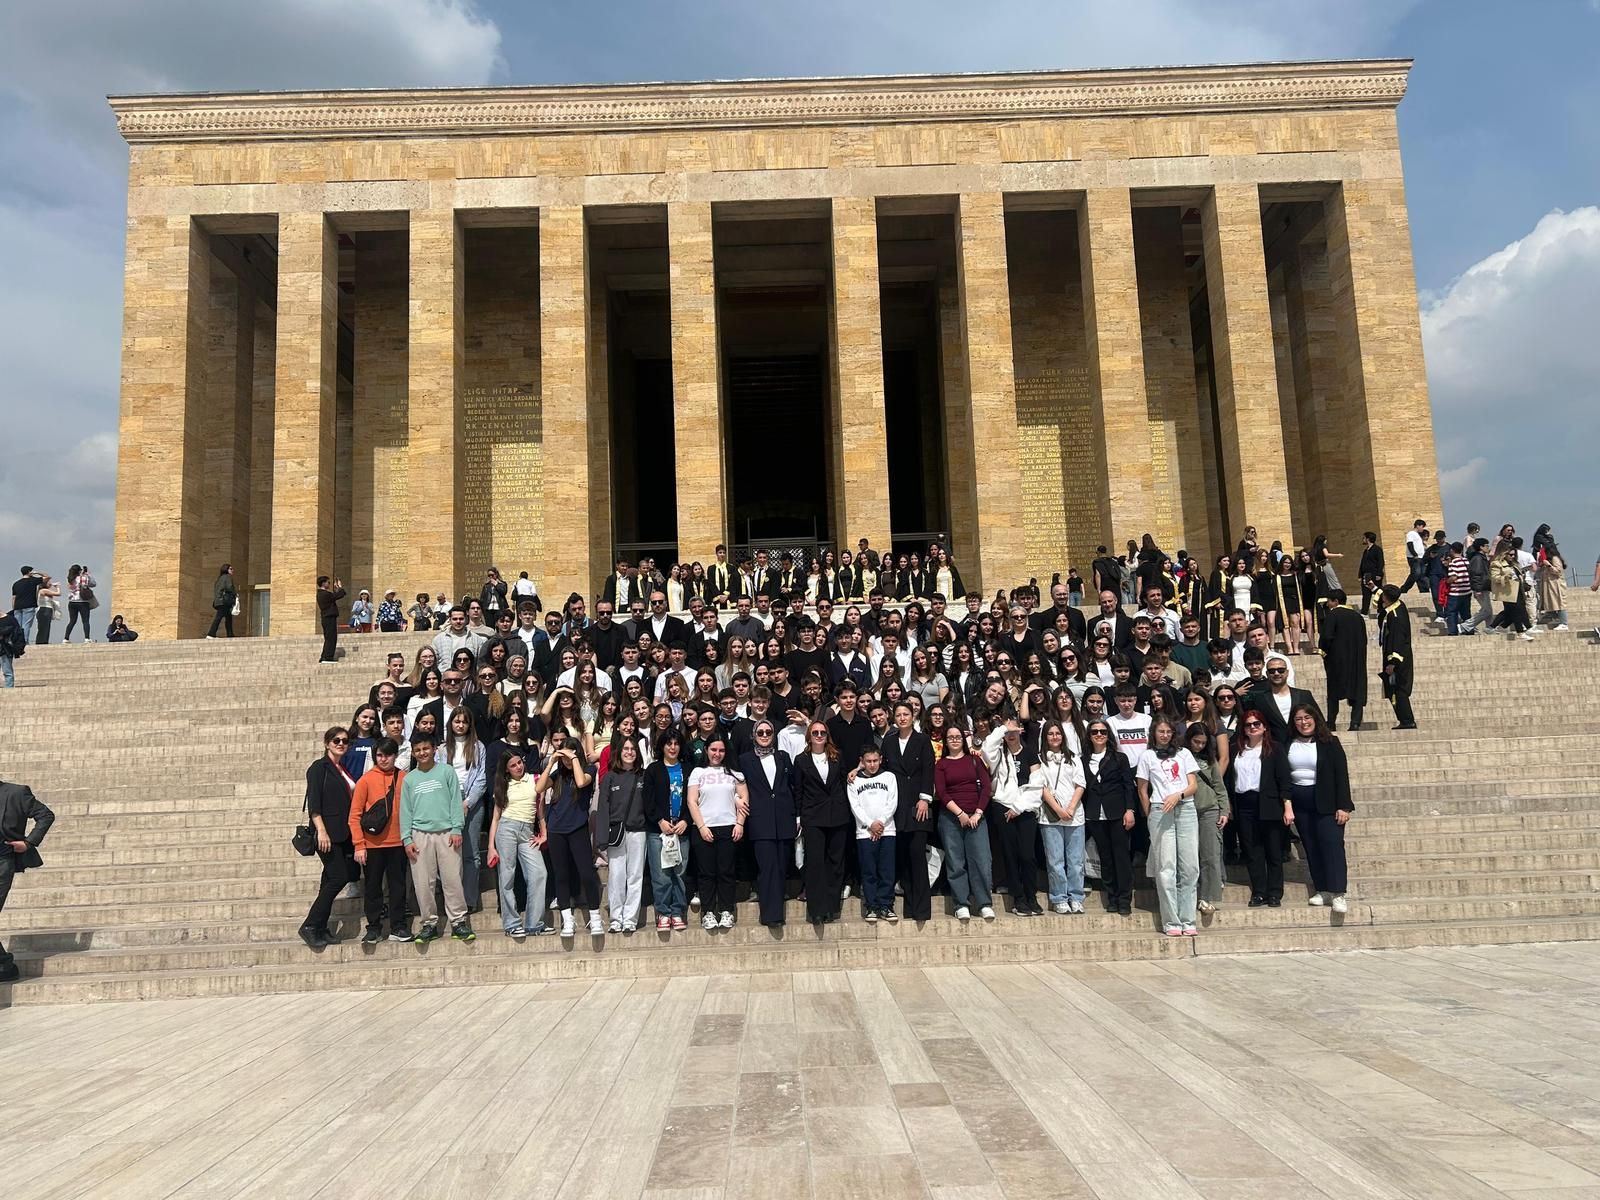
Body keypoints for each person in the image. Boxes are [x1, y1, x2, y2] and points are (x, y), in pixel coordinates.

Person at [400, 731, 473, 943]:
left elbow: (455, 802)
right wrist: (407, 838)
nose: (422, 753)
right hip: (420, 835)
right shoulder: (409, 779)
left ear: (434, 749)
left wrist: (457, 828)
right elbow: (405, 810)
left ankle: (459, 922)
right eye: (418, 750)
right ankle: (429, 924)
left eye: (426, 748)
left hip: (447, 833)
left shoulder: (446, 772)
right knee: (423, 883)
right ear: (413, 753)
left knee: (452, 880)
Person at [1283, 704, 1354, 913]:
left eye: (1307, 718)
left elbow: (1341, 775)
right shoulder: (1288, 743)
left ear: (1315, 719)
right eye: (1298, 719)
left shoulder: (1330, 742)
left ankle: (1338, 892)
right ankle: (1322, 889)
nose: (1303, 723)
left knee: (1331, 844)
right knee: (1311, 846)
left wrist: (1344, 806)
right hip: (1300, 801)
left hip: (1326, 801)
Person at [1137, 714, 1199, 936]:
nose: (1164, 735)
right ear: (1154, 733)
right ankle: (1171, 921)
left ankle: (1188, 918)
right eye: (1160, 731)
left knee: (1190, 866)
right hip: (1159, 811)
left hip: (1185, 808)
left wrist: (1178, 795)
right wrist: (1150, 814)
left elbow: (1193, 785)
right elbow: (1142, 789)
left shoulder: (1184, 754)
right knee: (1166, 867)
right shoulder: (1147, 756)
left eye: (1168, 732)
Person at [538, 727, 603, 936]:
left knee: (586, 873)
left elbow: (582, 782)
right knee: (561, 875)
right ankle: (567, 919)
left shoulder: (589, 769)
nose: (565, 759)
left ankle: (595, 917)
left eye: (569, 754)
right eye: (563, 755)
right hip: (556, 830)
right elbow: (538, 788)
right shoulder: (557, 774)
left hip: (577, 828)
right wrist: (551, 763)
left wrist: (574, 758)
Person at [300, 726, 357, 949]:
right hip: (327, 834)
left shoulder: (341, 769)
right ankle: (310, 924)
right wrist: (321, 830)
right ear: (327, 743)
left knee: (328, 880)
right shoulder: (319, 768)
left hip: (342, 834)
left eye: (345, 741)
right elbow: (314, 803)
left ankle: (321, 927)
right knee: (338, 877)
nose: (341, 744)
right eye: (336, 740)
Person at [880, 700, 936, 922]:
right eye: (899, 714)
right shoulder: (889, 741)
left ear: (913, 716)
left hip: (917, 805)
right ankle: (909, 907)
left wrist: (924, 799)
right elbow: (882, 770)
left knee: (917, 856)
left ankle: (922, 909)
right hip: (896, 805)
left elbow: (928, 769)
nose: (902, 717)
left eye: (906, 714)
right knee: (902, 857)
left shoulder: (922, 740)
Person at [349, 737, 409, 943]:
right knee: (373, 887)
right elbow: (354, 815)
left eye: (388, 755)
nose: (384, 759)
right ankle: (373, 927)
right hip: (373, 844)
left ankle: (398, 926)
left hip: (398, 843)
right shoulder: (365, 780)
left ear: (395, 755)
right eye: (380, 755)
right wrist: (359, 844)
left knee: (398, 886)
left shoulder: (403, 778)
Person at [739, 719, 796, 929]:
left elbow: (792, 785)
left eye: (768, 731)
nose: (764, 735)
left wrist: (796, 816)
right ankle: (771, 915)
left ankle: (778, 910)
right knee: (767, 867)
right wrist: (738, 800)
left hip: (783, 818)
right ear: (754, 735)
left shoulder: (783, 757)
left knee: (781, 867)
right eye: (760, 732)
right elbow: (735, 783)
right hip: (760, 820)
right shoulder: (745, 760)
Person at [984, 716, 1042, 916]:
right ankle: (1018, 899)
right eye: (1007, 731)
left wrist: (1019, 806)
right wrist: (1001, 728)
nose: (1010, 734)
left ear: (1021, 731)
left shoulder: (1030, 753)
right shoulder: (998, 752)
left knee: (1027, 855)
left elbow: (1037, 783)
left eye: (1014, 730)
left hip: (1025, 809)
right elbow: (986, 748)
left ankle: (1031, 896)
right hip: (1002, 807)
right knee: (1010, 854)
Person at [794, 721, 852, 925]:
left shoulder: (837, 756)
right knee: (815, 863)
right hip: (813, 816)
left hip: (837, 814)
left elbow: (845, 781)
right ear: (809, 736)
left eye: (823, 732)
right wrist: (798, 817)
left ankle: (832, 907)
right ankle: (817, 910)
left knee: (835, 862)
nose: (819, 735)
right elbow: (798, 790)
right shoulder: (801, 760)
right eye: (815, 732)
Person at [934, 726, 994, 921]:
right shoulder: (941, 764)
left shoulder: (975, 760)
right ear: (945, 741)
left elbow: (986, 788)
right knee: (955, 861)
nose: (954, 740)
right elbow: (942, 792)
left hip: (977, 816)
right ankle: (961, 903)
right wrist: (959, 813)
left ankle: (984, 903)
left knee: (981, 861)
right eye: (950, 737)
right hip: (951, 818)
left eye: (957, 736)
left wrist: (977, 813)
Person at [487, 748, 548, 938]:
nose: (518, 767)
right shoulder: (502, 786)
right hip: (507, 828)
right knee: (507, 876)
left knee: (539, 873)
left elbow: (540, 811)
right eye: (512, 765)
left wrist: (544, 833)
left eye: (519, 762)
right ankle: (512, 923)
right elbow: (495, 818)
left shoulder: (534, 779)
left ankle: (533, 923)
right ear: (506, 769)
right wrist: (490, 847)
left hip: (528, 829)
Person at [687, 736, 746, 930]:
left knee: (726, 872)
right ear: (706, 750)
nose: (717, 754)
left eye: (721, 750)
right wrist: (702, 827)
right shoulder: (698, 772)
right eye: (713, 749)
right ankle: (709, 911)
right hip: (704, 827)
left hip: (729, 826)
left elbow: (744, 799)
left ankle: (727, 910)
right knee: (706, 873)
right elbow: (692, 801)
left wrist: (740, 823)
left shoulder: (735, 773)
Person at [0, 774, 54, 983]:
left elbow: (46, 815)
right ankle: (4, 964)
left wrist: (29, 842)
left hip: (2, 861)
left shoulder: (16, 792)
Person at [1034, 720, 1087, 915]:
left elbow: (1080, 784)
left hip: (1075, 815)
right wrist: (1058, 809)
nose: (1055, 737)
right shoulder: (1039, 759)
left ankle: (1076, 896)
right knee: (1055, 860)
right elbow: (1041, 787)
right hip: (1050, 816)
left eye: (1058, 733)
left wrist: (1071, 807)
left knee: (1075, 860)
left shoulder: (1073, 758)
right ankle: (1059, 897)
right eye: (1050, 734)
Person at [598, 737, 648, 933]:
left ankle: (630, 918)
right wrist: (602, 838)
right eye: (625, 748)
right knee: (617, 875)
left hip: (638, 831)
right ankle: (615, 918)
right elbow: (603, 807)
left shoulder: (643, 775)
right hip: (616, 832)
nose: (629, 752)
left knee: (635, 876)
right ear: (619, 752)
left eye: (633, 748)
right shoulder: (610, 777)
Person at [644, 729, 692, 931]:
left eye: (676, 743)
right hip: (659, 830)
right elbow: (647, 800)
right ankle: (663, 912)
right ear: (662, 746)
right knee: (661, 874)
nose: (672, 747)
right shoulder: (653, 770)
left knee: (679, 872)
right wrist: (659, 821)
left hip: (681, 829)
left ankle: (677, 911)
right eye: (668, 743)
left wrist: (686, 821)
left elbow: (695, 799)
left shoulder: (688, 769)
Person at [848, 744, 900, 922]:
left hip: (887, 830)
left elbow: (892, 802)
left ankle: (886, 905)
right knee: (869, 871)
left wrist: (881, 823)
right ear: (862, 762)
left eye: (875, 761)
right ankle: (871, 906)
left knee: (887, 870)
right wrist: (870, 824)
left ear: (881, 760)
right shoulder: (854, 780)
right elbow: (855, 806)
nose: (872, 764)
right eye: (868, 761)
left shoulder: (889, 777)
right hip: (864, 832)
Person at [1184, 724, 1230, 914]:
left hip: (1209, 809)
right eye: (1196, 741)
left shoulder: (1209, 760)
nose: (1199, 746)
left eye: (1203, 743)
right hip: (1186, 810)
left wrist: (1224, 810)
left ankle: (1207, 897)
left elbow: (1219, 786)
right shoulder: (1180, 756)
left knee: (1210, 853)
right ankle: (1190, 895)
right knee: (1189, 856)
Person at [1317, 589, 1367, 732]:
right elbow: (1364, 639)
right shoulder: (1358, 617)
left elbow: (1326, 636)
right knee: (1357, 689)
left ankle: (1331, 722)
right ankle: (1355, 722)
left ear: (1336, 601)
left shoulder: (1333, 615)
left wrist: (1323, 651)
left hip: (1337, 659)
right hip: (1356, 659)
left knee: (1334, 691)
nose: (1328, 604)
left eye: (1329, 601)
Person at [1376, 585, 1417, 730]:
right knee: (1393, 689)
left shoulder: (1395, 616)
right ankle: (1404, 719)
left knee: (1398, 690)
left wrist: (1393, 661)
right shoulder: (1397, 606)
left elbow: (1397, 639)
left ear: (1386, 598)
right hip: (1397, 656)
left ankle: (1407, 720)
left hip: (1398, 658)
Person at [62, 565, 96, 643]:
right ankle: (87, 638)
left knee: (72, 621)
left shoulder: (69, 579)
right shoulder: (83, 578)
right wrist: (87, 574)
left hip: (72, 602)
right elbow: (93, 584)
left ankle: (66, 638)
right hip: (82, 601)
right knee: (85, 621)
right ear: (79, 571)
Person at [316, 575, 345, 664]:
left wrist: (337, 590)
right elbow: (338, 595)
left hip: (327, 618)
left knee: (329, 638)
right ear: (323, 583)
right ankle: (327, 657)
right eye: (328, 582)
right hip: (328, 618)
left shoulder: (323, 594)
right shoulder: (324, 594)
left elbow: (334, 596)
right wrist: (340, 587)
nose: (329, 584)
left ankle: (324, 656)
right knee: (331, 638)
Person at [10, 567, 42, 644]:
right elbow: (47, 577)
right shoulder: (33, 581)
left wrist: (14, 608)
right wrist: (37, 573)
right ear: (29, 572)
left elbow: (14, 597)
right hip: (29, 606)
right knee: (26, 625)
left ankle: (17, 641)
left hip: (17, 607)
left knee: (18, 626)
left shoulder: (16, 583)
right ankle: (24, 641)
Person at [207, 564, 238, 639]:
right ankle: (211, 634)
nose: (232, 570)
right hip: (224, 601)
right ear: (226, 569)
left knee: (228, 618)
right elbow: (229, 587)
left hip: (219, 601)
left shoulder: (219, 579)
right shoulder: (227, 577)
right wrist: (235, 594)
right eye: (230, 569)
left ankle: (230, 634)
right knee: (219, 617)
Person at [0, 606, 23, 689]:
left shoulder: (10, 620)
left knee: (7, 671)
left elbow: (18, 633)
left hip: (5, 649)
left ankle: (9, 690)